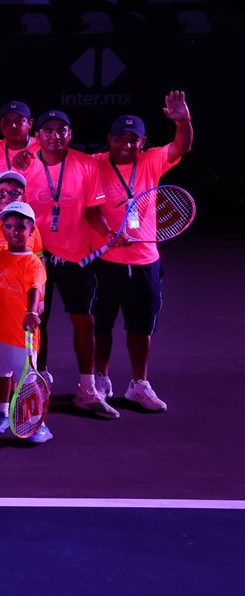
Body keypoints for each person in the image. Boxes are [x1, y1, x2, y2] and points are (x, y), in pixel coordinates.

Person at [85, 95, 192, 412]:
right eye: (121, 138)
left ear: (143, 142)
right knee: (102, 324)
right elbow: (91, 208)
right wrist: (108, 233)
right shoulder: (96, 164)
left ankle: (139, 384)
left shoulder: (151, 160)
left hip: (145, 261)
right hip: (106, 261)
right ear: (110, 138)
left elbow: (182, 147)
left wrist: (183, 122)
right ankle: (101, 378)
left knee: (141, 327)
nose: (127, 144)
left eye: (134, 139)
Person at [18, 109, 112, 417]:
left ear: (70, 134)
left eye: (62, 130)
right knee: (37, 320)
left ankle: (87, 389)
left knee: (84, 321)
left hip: (75, 256)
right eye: (48, 130)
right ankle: (38, 380)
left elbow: (92, 210)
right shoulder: (25, 163)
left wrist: (108, 233)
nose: (55, 135)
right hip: (36, 257)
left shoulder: (87, 164)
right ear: (38, 135)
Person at [0, 202, 49, 443]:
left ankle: (37, 423)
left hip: (22, 335)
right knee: (1, 374)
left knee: (27, 381)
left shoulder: (33, 262)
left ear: (32, 231)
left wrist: (30, 311)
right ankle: (1, 413)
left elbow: (34, 288)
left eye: (20, 227)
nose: (13, 231)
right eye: (8, 226)